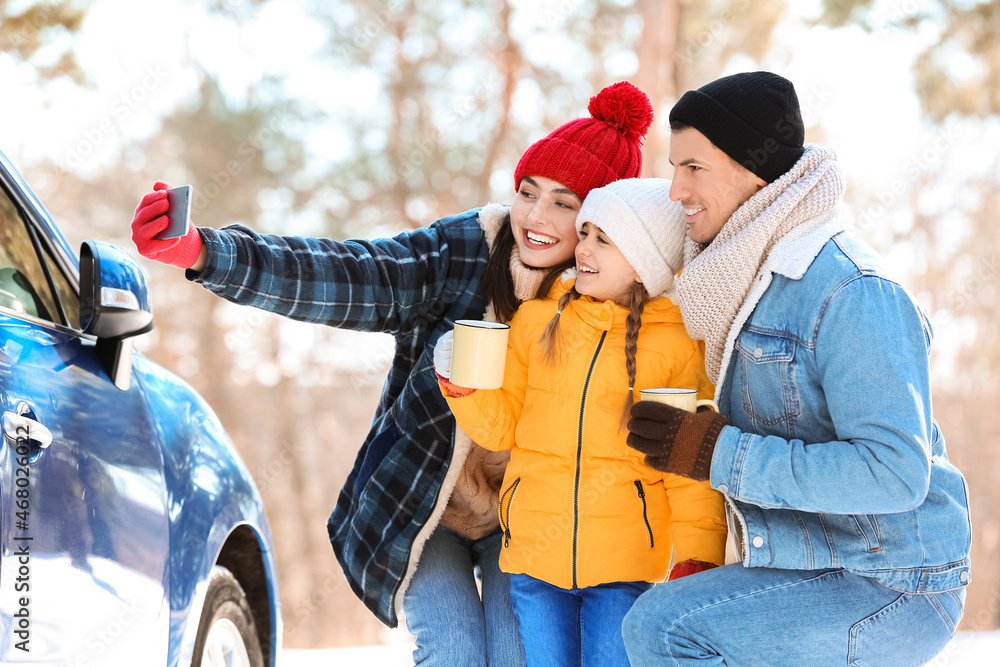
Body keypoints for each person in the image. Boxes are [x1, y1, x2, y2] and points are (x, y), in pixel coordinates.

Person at [129, 81, 655, 665]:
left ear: (599, 221)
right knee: (455, 651)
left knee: (518, 655)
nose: (535, 216)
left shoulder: (606, 299)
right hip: (421, 506)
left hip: (531, 522)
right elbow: (353, 274)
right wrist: (208, 252)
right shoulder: (463, 252)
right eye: (528, 192)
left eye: (565, 203)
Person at [620, 71, 972, 666]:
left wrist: (718, 455)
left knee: (665, 627)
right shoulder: (738, 280)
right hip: (811, 564)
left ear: (754, 172)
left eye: (694, 168)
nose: (674, 189)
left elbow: (895, 473)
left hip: (894, 580)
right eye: (674, 166)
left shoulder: (852, 290)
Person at [435, 177, 728, 667]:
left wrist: (698, 555)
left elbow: (684, 467)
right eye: (585, 232)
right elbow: (500, 430)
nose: (583, 248)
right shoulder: (536, 323)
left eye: (603, 239)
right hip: (533, 562)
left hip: (625, 568)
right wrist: (462, 388)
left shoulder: (678, 346)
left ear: (644, 263)